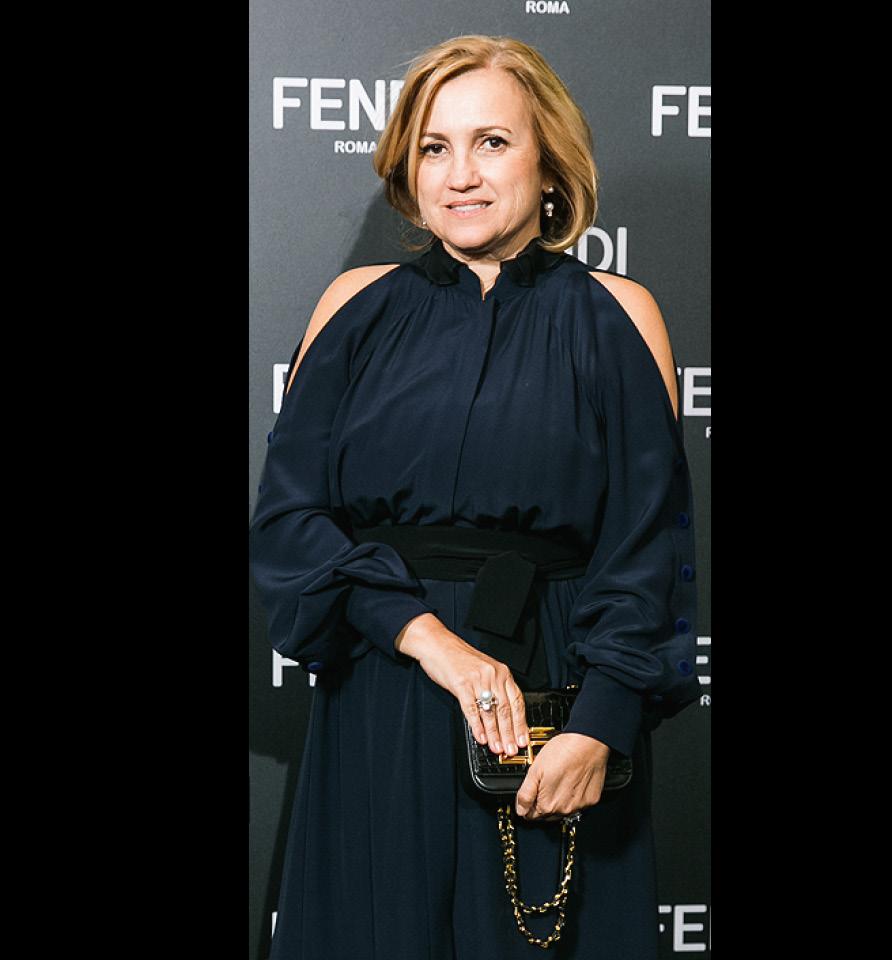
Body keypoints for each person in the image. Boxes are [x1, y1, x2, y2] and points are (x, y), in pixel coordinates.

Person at [250, 33, 702, 960]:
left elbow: (646, 545)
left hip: (553, 705)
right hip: (385, 688)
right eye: (434, 147)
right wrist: (432, 642)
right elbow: (290, 523)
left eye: (492, 142)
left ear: (549, 163)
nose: (460, 174)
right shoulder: (354, 305)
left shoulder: (619, 314)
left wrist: (601, 726)